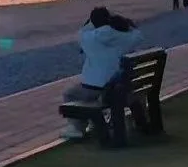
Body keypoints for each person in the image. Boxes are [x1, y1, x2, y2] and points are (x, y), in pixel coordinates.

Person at [61, 8, 144, 141]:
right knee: (88, 92)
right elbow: (138, 34)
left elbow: (80, 34)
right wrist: (126, 25)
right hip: (121, 87)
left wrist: (90, 24)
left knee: (70, 94)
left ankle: (76, 128)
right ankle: (93, 123)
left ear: (93, 23)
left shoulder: (91, 38)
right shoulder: (125, 37)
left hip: (98, 89)